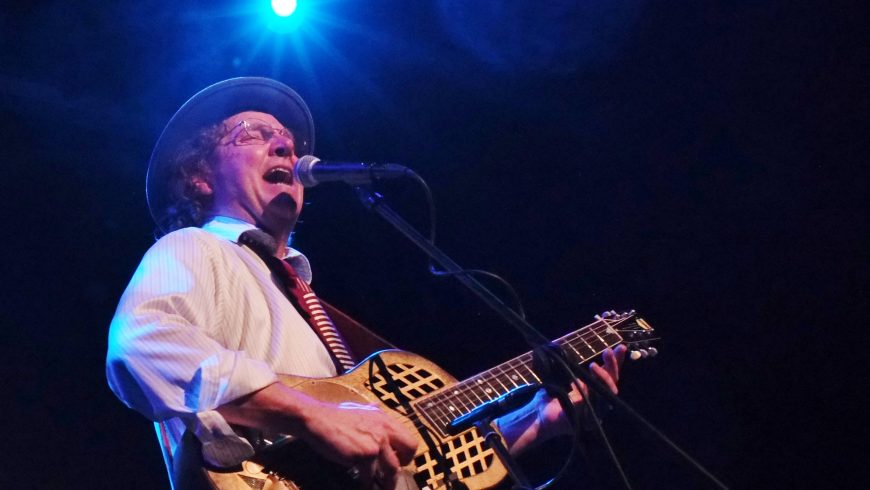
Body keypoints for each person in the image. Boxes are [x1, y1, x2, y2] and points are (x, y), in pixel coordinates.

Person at [106, 77, 626, 490]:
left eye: (286, 139)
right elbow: (141, 344)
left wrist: (539, 421)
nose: (284, 145)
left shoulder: (304, 302)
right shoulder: (197, 249)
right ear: (199, 177)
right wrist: (309, 415)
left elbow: (421, 467)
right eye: (253, 135)